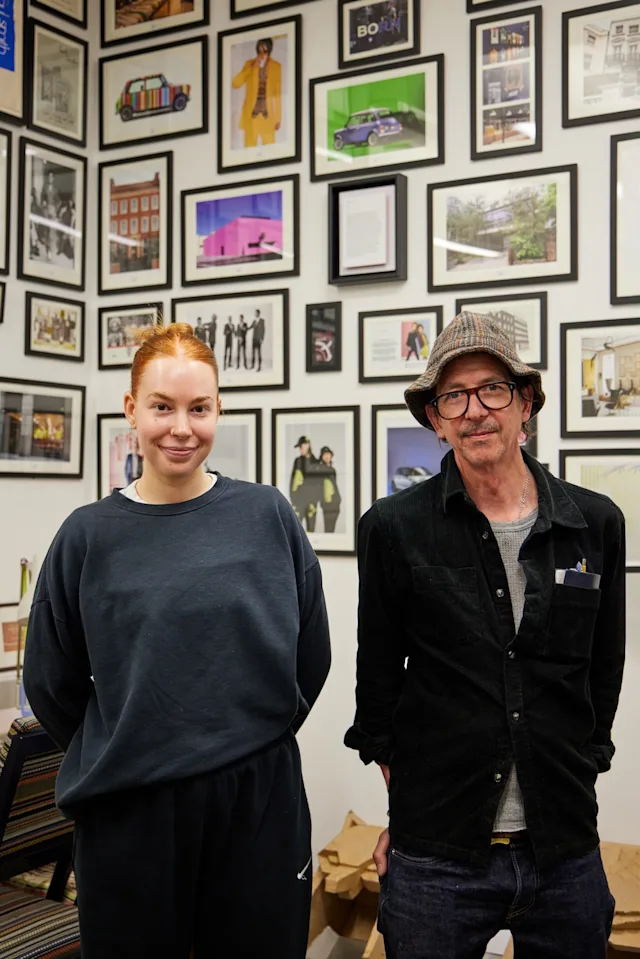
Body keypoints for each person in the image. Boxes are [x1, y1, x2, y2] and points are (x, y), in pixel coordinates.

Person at [23, 323, 331, 959]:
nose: (181, 429)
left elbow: (311, 652)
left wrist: (245, 737)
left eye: (199, 408)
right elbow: (51, 682)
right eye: (162, 407)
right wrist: (129, 742)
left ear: (219, 409)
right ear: (131, 409)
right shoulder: (87, 536)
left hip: (258, 804)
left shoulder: (267, 516)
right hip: (130, 811)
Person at [345, 312, 625, 959]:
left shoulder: (595, 524)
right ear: (436, 418)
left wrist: (585, 761)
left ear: (525, 403)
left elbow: (603, 668)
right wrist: (414, 802)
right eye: (454, 396)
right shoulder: (393, 528)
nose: (474, 410)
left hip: (563, 846)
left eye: (493, 389)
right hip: (437, 855)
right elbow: (377, 681)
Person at [231, 37, 282, 149]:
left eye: (265, 52)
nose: (262, 55)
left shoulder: (277, 67)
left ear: (269, 51)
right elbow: (235, 84)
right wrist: (250, 68)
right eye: (259, 52)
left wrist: (278, 118)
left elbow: (278, 94)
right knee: (249, 149)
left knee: (270, 150)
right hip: (251, 115)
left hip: (267, 115)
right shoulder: (249, 64)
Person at [290, 436, 320, 533]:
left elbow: (319, 484)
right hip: (299, 502)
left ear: (308, 445)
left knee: (311, 530)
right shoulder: (297, 461)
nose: (300, 449)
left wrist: (315, 500)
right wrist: (293, 499)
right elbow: (293, 481)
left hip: (311, 502)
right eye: (299, 447)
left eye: (301, 446)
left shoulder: (316, 463)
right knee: (295, 530)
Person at [317, 446, 341, 534]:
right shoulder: (320, 469)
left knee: (331, 527)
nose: (327, 456)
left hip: (335, 502)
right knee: (328, 527)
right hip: (327, 503)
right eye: (324, 454)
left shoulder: (332, 469)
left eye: (328, 454)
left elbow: (334, 485)